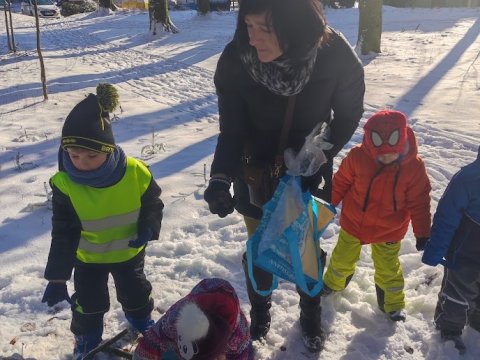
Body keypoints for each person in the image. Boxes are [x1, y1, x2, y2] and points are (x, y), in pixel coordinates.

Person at [203, 0, 364, 352]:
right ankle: (261, 313)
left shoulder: (334, 54)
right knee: (260, 249)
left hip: (307, 177)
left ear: (295, 25)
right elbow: (231, 128)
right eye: (248, 26)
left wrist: (317, 155)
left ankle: (310, 316)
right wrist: (220, 178)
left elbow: (350, 113)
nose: (253, 39)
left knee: (305, 252)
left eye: (265, 28)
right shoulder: (234, 61)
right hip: (255, 178)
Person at [41, 84, 164, 360]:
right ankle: (87, 338)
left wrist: (149, 227)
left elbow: (153, 204)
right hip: (88, 259)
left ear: (109, 149)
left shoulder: (135, 172)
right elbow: (63, 231)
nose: (81, 163)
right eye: (74, 156)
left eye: (91, 156)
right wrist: (58, 276)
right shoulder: (66, 185)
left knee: (136, 293)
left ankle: (141, 320)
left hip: (128, 252)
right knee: (88, 304)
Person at [322, 110, 432, 322]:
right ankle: (333, 284)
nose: (386, 157)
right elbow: (341, 182)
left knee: (388, 268)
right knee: (342, 258)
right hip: (354, 223)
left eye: (391, 154)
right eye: (380, 154)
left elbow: (419, 202)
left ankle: (392, 303)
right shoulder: (357, 157)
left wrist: (422, 232)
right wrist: (328, 205)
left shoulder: (414, 168)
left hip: (389, 230)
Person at [422, 148, 480, 354]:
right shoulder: (469, 178)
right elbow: (447, 216)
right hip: (465, 254)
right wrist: (435, 250)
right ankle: (449, 328)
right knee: (457, 294)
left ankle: (476, 320)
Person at [133, 278, 254, 360]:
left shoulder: (239, 338)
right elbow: (151, 342)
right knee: (168, 353)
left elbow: (244, 356)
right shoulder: (174, 320)